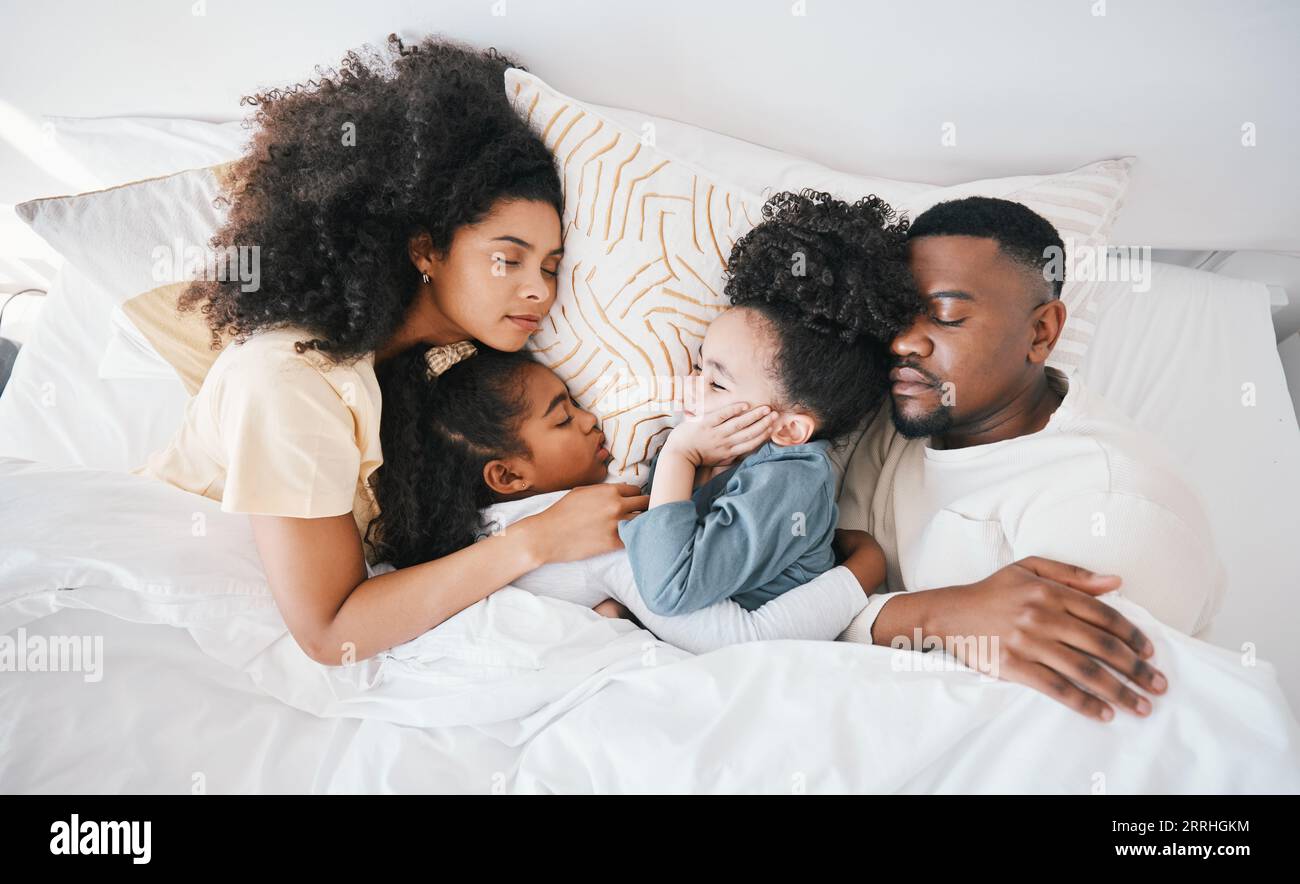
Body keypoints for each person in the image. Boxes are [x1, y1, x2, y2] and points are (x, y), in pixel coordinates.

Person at [134, 36, 648, 666]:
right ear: (426, 250)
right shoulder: (288, 380)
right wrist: (536, 541)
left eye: (549, 264)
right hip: (176, 605)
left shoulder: (430, 367)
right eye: (507, 258)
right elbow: (330, 632)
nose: (539, 290)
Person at [830, 195, 1227, 722]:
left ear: (1041, 333)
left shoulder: (1114, 508)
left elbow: (1031, 737)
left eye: (947, 316)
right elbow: (802, 602)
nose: (903, 341)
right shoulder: (901, 416)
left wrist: (906, 616)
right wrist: (942, 613)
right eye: (898, 314)